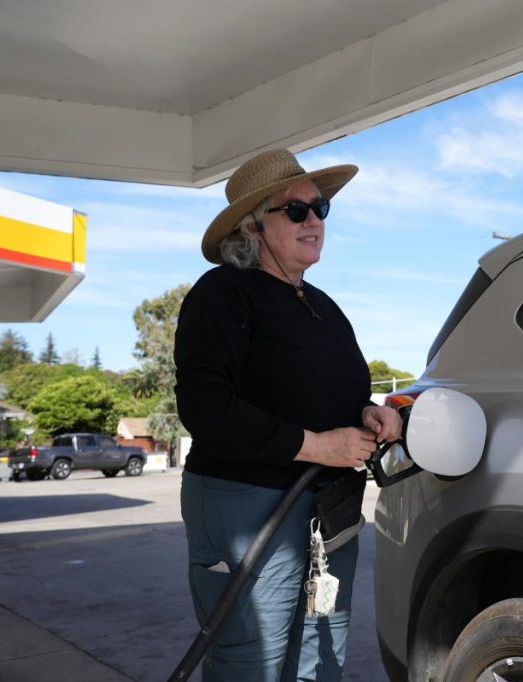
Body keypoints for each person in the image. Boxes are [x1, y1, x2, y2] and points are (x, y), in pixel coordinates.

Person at [174, 148, 402, 681]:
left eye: (320, 208)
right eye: (296, 211)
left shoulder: (322, 304)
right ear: (252, 227)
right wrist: (318, 446)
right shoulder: (222, 294)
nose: (315, 220)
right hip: (245, 504)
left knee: (321, 658)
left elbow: (327, 395)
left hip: (329, 509)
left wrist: (369, 414)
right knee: (252, 661)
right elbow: (206, 410)